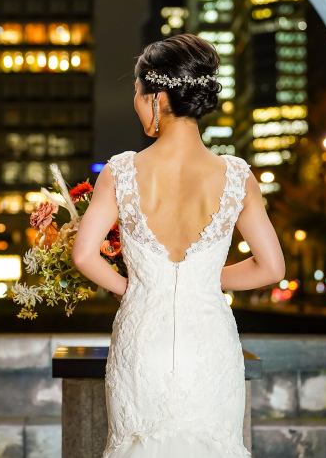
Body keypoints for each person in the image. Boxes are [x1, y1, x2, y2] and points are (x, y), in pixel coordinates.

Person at [72, 33, 286, 457]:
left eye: (137, 92)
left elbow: (83, 254)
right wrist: (201, 280)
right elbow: (272, 268)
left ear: (157, 98)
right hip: (209, 344)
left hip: (142, 342)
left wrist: (130, 287)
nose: (136, 102)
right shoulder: (237, 177)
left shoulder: (121, 171)